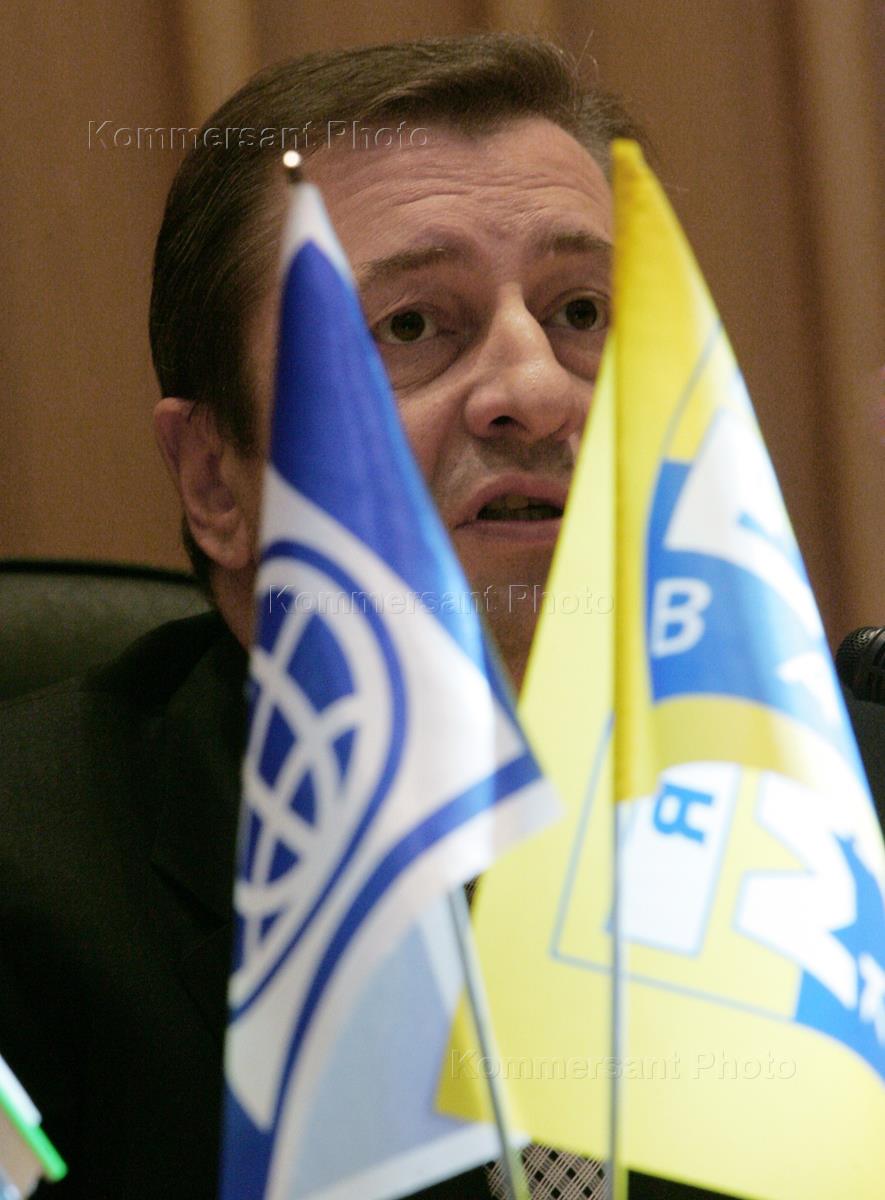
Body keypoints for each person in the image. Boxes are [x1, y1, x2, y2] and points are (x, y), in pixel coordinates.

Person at [0, 34, 738, 1200]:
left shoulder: (840, 806)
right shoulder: (30, 877)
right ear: (215, 481)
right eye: (409, 327)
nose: (537, 389)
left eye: (582, 309)